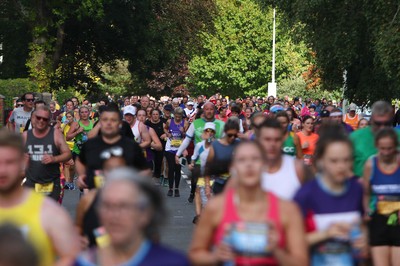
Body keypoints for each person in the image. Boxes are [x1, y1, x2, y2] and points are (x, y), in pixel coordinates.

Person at [189, 141, 308, 265]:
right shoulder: (216, 207)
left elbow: (301, 262)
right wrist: (215, 256)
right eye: (242, 160)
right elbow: (195, 255)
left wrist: (277, 252)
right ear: (232, 167)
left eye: (255, 159)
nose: (249, 165)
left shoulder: (287, 210)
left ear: (265, 165)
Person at [75, 167, 190, 266]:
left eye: (124, 206)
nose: (114, 215)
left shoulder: (174, 263)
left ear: (145, 214)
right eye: (107, 206)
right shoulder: (80, 262)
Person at [0, 129, 79, 266]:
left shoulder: (50, 212)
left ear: (23, 163)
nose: (2, 170)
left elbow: (71, 257)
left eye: (9, 162)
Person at [294, 125, 367, 266]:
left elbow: (362, 226)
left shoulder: (356, 190)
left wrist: (363, 240)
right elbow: (291, 242)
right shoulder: (305, 194)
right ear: (321, 161)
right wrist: (326, 234)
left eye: (346, 160)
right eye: (334, 161)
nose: (341, 166)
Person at [76, 106, 148, 190]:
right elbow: (79, 160)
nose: (109, 123)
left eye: (113, 120)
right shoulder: (91, 144)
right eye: (105, 120)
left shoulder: (131, 146)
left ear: (120, 123)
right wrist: (82, 175)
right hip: (96, 194)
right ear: (100, 122)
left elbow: (145, 170)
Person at [76, 147, 128, 249]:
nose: (113, 173)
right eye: (109, 169)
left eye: (118, 169)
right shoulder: (88, 200)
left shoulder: (136, 199)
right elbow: (78, 228)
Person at [363, 128, 400, 266]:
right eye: (382, 148)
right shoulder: (371, 164)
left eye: (389, 148)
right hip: (378, 219)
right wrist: (366, 212)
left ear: (395, 146)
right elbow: (366, 193)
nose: (385, 153)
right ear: (377, 146)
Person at [176, 102, 225, 202]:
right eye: (207, 109)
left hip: (216, 162)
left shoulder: (221, 124)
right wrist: (178, 153)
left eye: (211, 109)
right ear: (203, 110)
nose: (209, 111)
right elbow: (187, 140)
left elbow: (226, 143)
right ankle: (200, 215)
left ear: (214, 110)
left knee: (215, 191)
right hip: (199, 162)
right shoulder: (195, 123)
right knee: (199, 189)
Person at [22, 106, 72, 201]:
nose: (41, 121)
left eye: (45, 119)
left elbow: (68, 154)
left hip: (51, 183)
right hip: (31, 183)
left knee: (47, 213)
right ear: (33, 118)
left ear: (49, 121)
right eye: (38, 118)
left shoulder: (56, 134)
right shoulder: (25, 135)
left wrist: (54, 159)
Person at [258, 118, 308, 200]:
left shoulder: (297, 169)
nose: (272, 144)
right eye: (267, 139)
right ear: (259, 140)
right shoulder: (248, 169)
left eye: (277, 140)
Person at [351, 101, 400, 178]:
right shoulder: (355, 138)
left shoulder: (398, 136)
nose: (382, 128)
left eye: (386, 123)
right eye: (378, 123)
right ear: (371, 120)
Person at [205, 117, 240, 195]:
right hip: (220, 186)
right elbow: (208, 167)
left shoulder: (239, 144)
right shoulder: (216, 145)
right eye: (230, 135)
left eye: (235, 135)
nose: (233, 137)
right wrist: (207, 186)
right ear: (225, 132)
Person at [190, 122, 216, 224]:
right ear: (204, 132)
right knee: (200, 193)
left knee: (210, 197)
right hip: (202, 174)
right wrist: (191, 164)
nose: (209, 133)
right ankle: (200, 216)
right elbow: (194, 157)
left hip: (214, 176)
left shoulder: (217, 145)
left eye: (211, 131)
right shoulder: (200, 145)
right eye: (207, 131)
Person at [164, 107, 189, 197]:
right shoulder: (169, 121)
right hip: (170, 147)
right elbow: (165, 128)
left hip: (179, 148)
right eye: (176, 116)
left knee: (178, 169)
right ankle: (170, 188)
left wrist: (183, 132)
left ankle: (176, 188)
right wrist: (168, 134)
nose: (178, 118)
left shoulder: (185, 123)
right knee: (171, 168)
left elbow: (187, 136)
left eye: (179, 117)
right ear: (174, 115)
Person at [145, 109, 167, 180]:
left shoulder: (163, 124)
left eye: (156, 114)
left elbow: (169, 132)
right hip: (149, 146)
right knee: (150, 163)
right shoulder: (147, 123)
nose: (155, 116)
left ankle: (157, 177)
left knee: (159, 163)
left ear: (159, 115)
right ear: (151, 115)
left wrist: (165, 134)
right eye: (153, 114)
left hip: (160, 147)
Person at [61, 111, 76, 190]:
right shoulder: (64, 125)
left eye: (70, 117)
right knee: (66, 165)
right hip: (66, 147)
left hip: (74, 147)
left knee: (72, 167)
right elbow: (60, 132)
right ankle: (67, 183)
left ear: (73, 117)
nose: (68, 118)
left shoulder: (76, 125)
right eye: (67, 117)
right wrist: (64, 124)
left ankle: (71, 181)